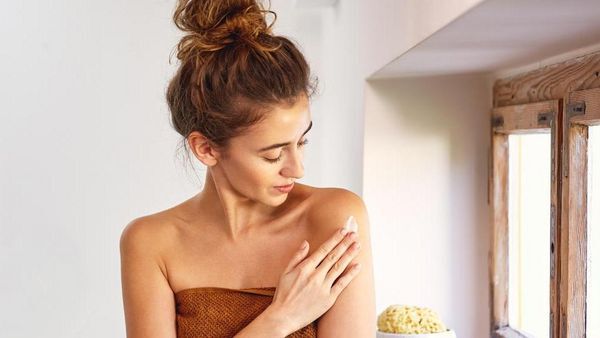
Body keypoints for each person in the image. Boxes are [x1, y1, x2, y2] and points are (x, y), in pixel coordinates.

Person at [119, 0, 376, 337]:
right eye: (273, 155)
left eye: (302, 141)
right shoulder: (151, 244)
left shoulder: (335, 219)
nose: (297, 168)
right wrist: (280, 318)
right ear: (206, 149)